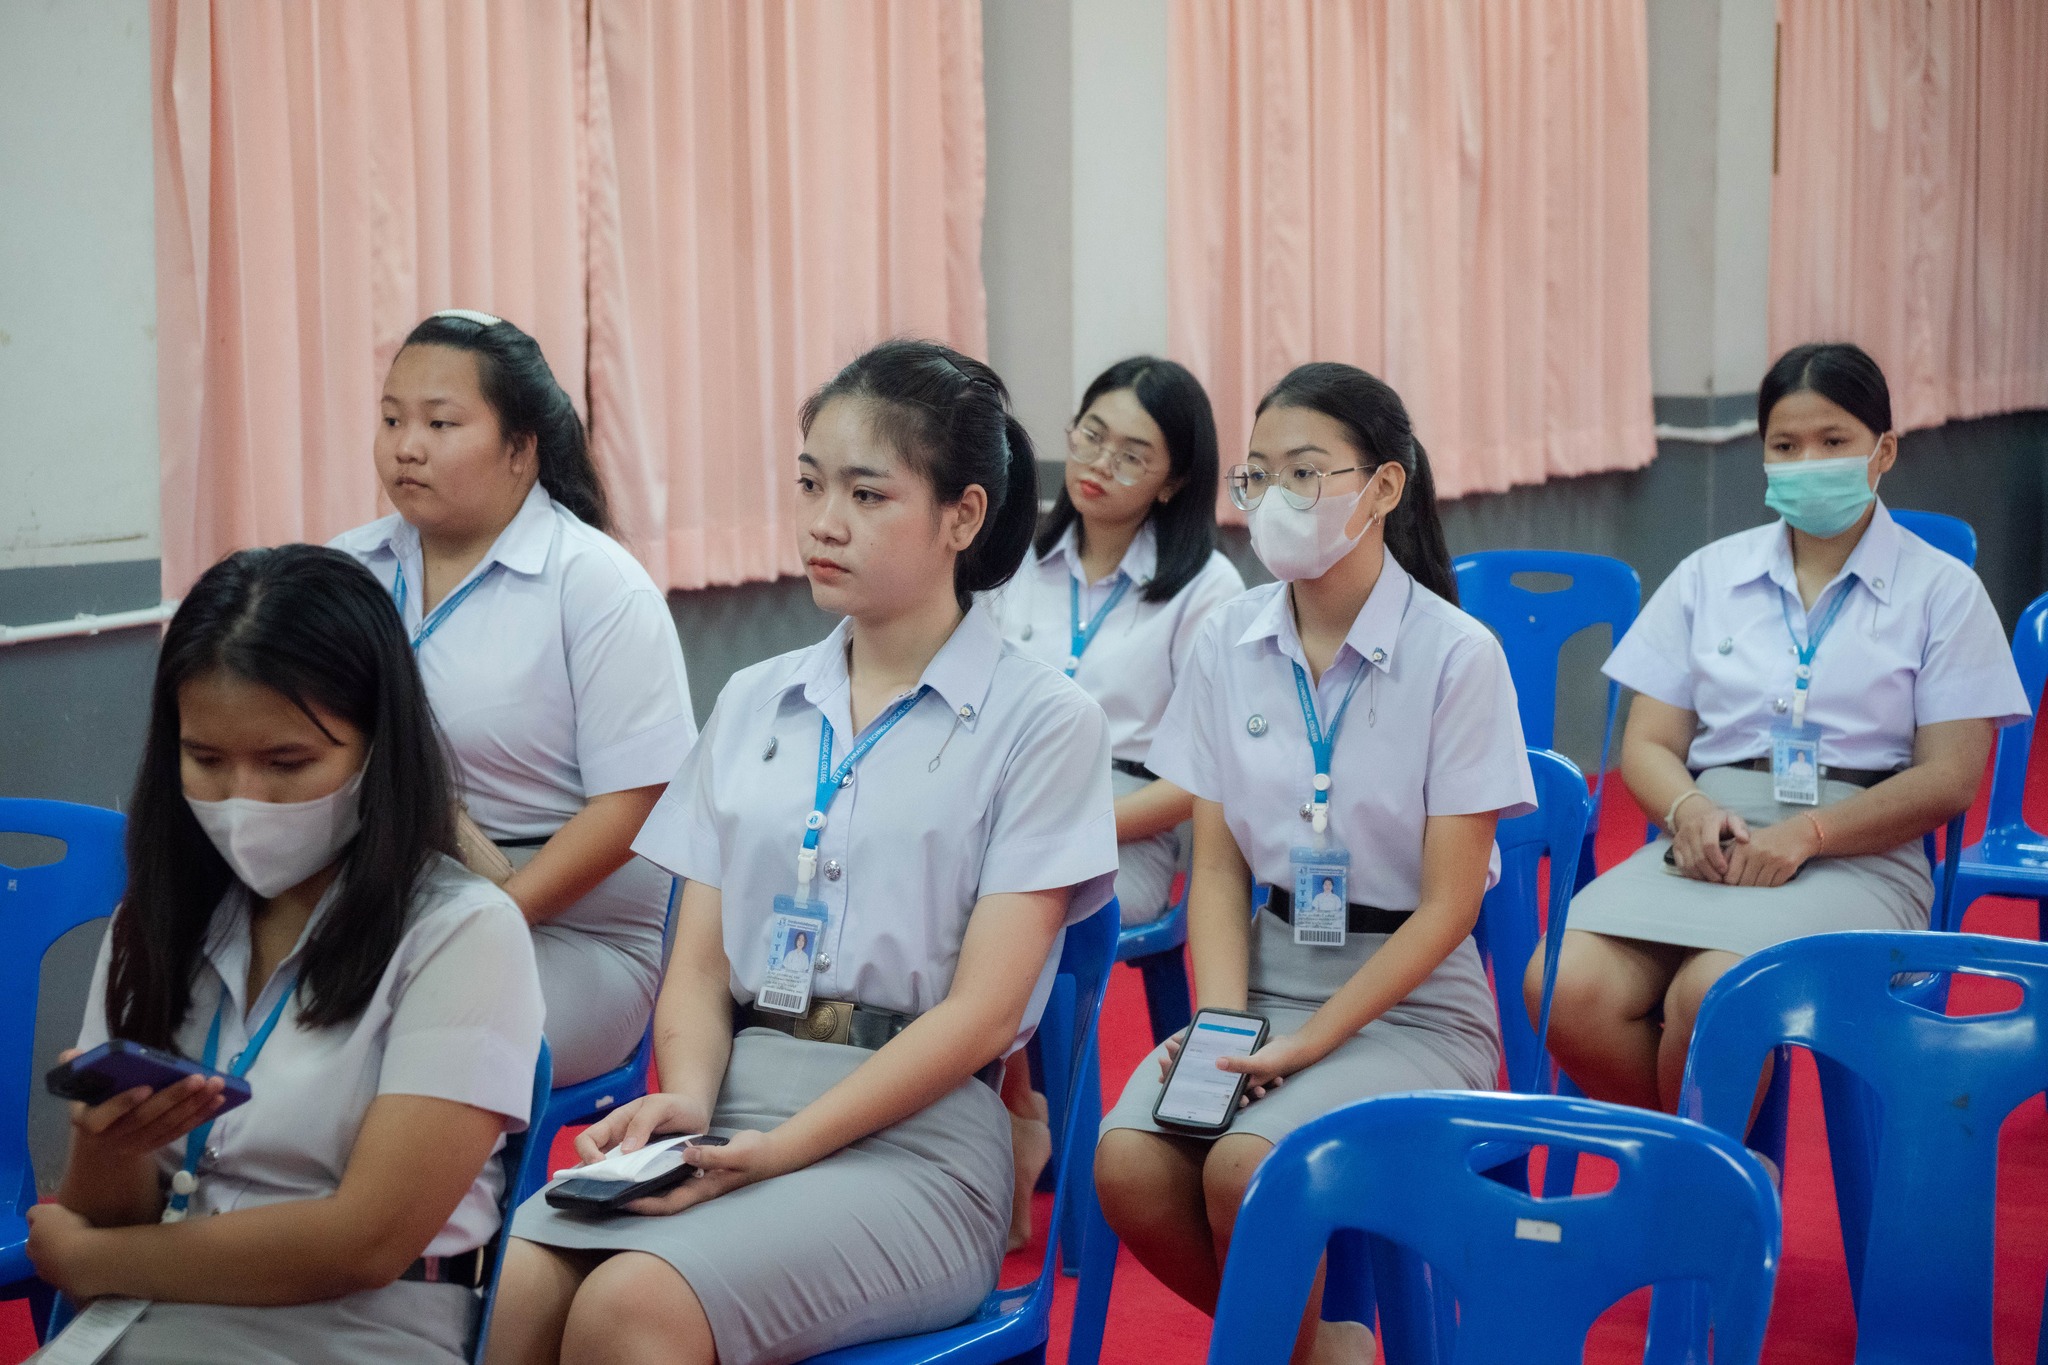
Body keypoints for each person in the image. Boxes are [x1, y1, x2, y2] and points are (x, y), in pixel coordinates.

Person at [485, 340, 1118, 1365]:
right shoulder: (752, 700)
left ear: (962, 516)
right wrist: (687, 1097)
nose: (824, 521)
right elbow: (693, 963)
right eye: (811, 485)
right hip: (732, 1106)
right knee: (504, 1286)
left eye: (867, 495)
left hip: (917, 1146)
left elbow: (984, 1016)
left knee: (627, 1308)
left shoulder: (1042, 723)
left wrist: (781, 1151)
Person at [1093, 363, 1533, 1365]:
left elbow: (1448, 908)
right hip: (1268, 977)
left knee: (1243, 1165)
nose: (1272, 505)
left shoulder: (1456, 658)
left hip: (1410, 1005)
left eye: (1303, 475)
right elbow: (1213, 871)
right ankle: (1320, 1352)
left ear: (1381, 488)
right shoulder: (1227, 643)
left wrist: (1306, 1044)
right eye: (1255, 479)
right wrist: (1224, 1024)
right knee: (1126, 1165)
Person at [27, 545, 543, 1364]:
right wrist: (106, 1140)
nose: (244, 801)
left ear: (376, 744)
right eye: (206, 760)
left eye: (287, 763)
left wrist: (96, 1258)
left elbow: (363, 1241)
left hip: (365, 1325)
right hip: (156, 1314)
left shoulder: (462, 932)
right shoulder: (156, 922)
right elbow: (100, 1226)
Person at [1531, 342, 2031, 1115]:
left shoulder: (1943, 591)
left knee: (1714, 991)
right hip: (1711, 840)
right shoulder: (1708, 575)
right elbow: (1649, 743)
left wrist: (1812, 835)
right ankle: (1718, 1177)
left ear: (1883, 450)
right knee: (1558, 984)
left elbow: (1950, 777)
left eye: (1834, 442)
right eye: (1785, 446)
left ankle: (1695, 1199)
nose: (1808, 462)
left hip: (1861, 849)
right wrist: (1689, 812)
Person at [332, 310, 696, 1086]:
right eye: (392, 418)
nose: (406, 445)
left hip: (567, 933)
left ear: (521, 450)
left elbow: (636, 804)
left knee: (399, 1044)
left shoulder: (595, 584)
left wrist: (493, 917)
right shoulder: (345, 571)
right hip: (391, 901)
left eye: (441, 421)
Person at [988, 355, 1242, 1246]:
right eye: (1091, 434)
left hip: (1127, 828)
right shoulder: (1017, 560)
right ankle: (1012, 1116)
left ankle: (1018, 1127)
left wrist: (1079, 821)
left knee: (1016, 908)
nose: (1100, 463)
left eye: (1134, 454)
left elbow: (1200, 782)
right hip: (1009, 806)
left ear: (1175, 479)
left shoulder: (1209, 593)